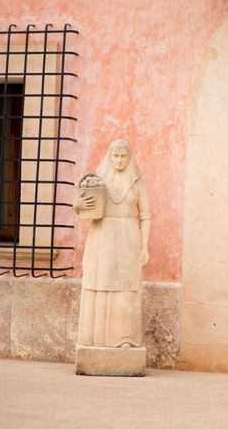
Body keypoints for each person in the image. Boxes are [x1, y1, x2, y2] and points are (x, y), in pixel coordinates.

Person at [74, 140, 150, 349]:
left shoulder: (138, 183)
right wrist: (78, 205)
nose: (119, 160)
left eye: (123, 156)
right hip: (102, 235)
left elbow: (145, 216)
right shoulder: (98, 181)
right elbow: (82, 205)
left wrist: (145, 246)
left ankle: (125, 339)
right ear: (109, 157)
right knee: (101, 282)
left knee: (126, 286)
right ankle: (96, 338)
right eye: (115, 156)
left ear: (129, 158)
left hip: (128, 235)